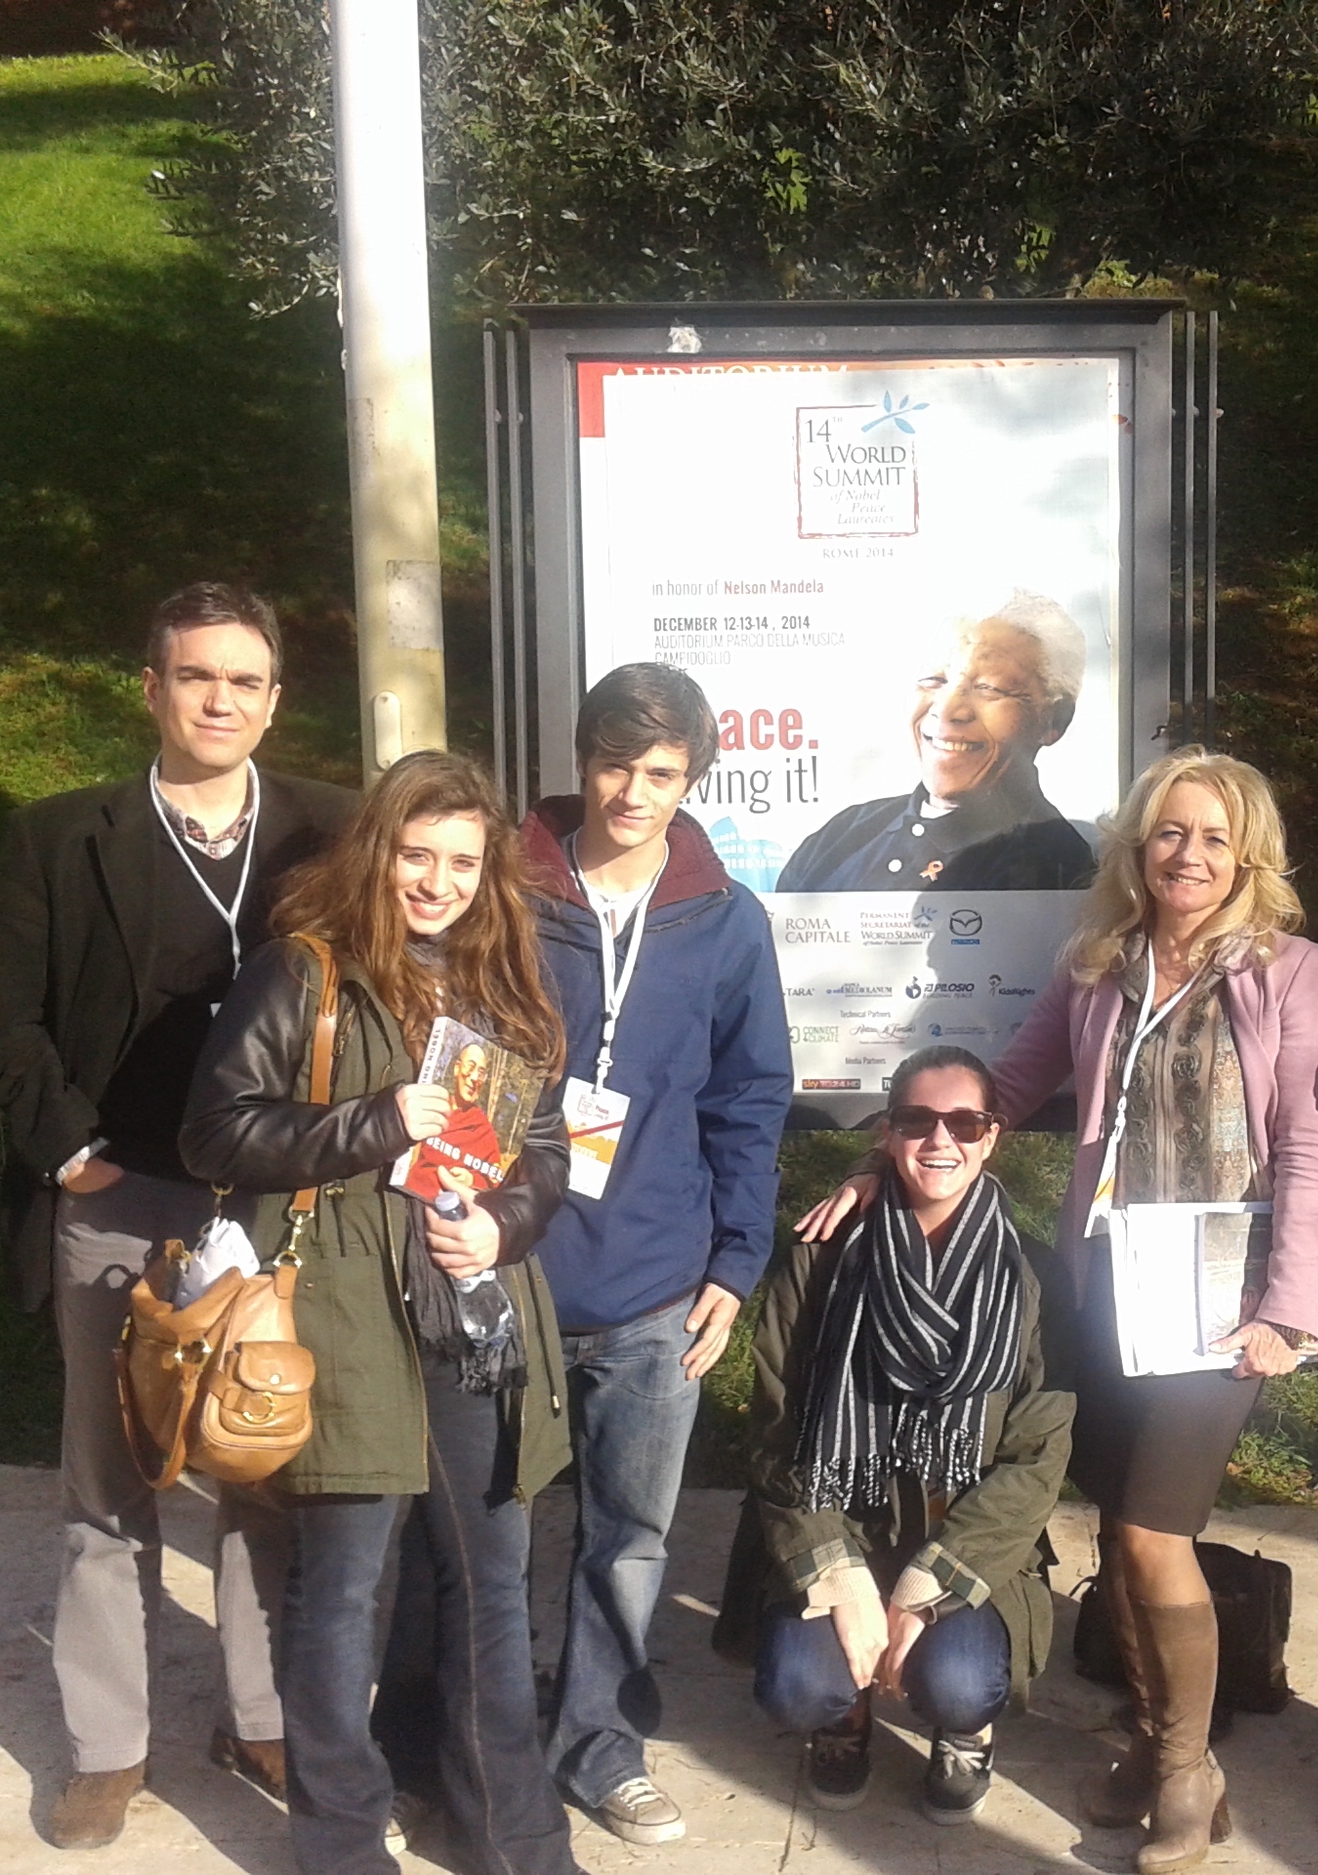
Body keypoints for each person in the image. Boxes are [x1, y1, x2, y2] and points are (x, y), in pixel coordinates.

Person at [803, 747, 1318, 1873]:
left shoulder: (1288, 970)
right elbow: (1002, 1088)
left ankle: (1190, 1772)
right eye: (1167, 832)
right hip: (1104, 1288)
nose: (1186, 854)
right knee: (1116, 1528)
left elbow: (1301, 1143)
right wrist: (890, 1157)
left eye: (1210, 835)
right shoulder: (1100, 964)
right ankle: (1150, 1742)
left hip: (1215, 1296)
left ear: (1247, 853)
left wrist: (1286, 1308)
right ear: (1138, 847)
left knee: (1153, 1535)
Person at [0, 582, 354, 1849]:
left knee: (263, 1468)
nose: (221, 701)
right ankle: (106, 1747)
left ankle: (262, 1717)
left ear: (275, 699)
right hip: (121, 1199)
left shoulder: (329, 833)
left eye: (245, 681)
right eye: (198, 677)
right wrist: (71, 1155)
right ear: (152, 687)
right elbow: (2, 1024)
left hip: (271, 1206)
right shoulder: (59, 838)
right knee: (109, 1481)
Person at [179, 752, 581, 1875]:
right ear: (377, 851)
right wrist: (375, 1120)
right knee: (343, 1590)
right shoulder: (301, 972)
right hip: (346, 1318)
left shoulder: (503, 983)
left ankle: (516, 1839)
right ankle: (343, 1847)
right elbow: (215, 1134)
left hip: (470, 1317)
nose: (438, 882)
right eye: (417, 854)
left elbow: (543, 1151)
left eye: (462, 861)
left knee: (490, 1584)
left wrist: (505, 1224)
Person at [516, 663, 793, 1844]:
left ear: (695, 782)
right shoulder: (502, 889)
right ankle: (455, 1731)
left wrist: (733, 1265)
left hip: (654, 1285)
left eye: (664, 773)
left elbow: (749, 1097)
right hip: (505, 1267)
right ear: (582, 758)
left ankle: (599, 1742)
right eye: (617, 763)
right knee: (472, 1524)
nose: (635, 792)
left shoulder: (724, 921)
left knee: (628, 1538)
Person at [742, 1045, 1076, 1825]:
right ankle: (843, 1717)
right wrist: (841, 1574)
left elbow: (1036, 1454)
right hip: (844, 1516)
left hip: (961, 1532)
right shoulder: (820, 1254)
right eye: (917, 1120)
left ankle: (965, 1728)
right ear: (889, 1133)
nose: (940, 1140)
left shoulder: (1035, 1275)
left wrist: (932, 1586)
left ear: (992, 1136)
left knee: (959, 1683)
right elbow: (776, 1422)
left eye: (964, 1122)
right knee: (800, 1685)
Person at [775, 591, 1098, 891]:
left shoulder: (1059, 870)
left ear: (1053, 720)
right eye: (933, 680)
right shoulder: (844, 833)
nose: (946, 710)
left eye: (989, 688)